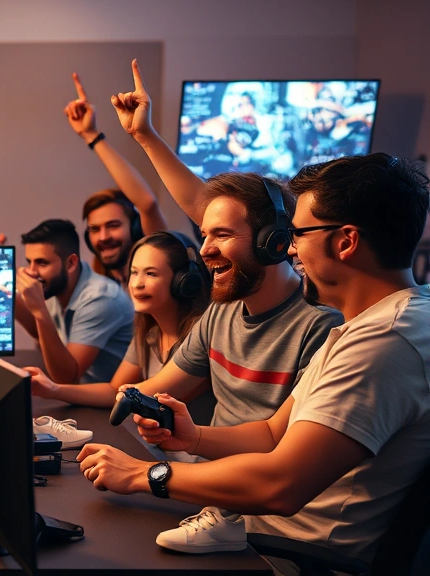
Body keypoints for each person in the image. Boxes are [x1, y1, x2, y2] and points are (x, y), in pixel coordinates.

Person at [77, 153, 430, 570]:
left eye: (298, 234)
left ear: (345, 242)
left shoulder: (382, 344)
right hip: (246, 529)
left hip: (282, 556)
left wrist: (141, 475)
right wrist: (194, 438)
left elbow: (280, 485)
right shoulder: (368, 326)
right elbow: (271, 432)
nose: (289, 248)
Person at [73, 57, 343, 554]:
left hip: (256, 511)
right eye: (203, 235)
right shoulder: (222, 311)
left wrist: (148, 468)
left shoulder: (321, 328)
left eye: (220, 235)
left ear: (272, 241)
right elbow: (157, 387)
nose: (204, 250)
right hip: (207, 485)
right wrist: (69, 429)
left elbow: (278, 448)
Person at [0, 72, 168, 288]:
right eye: (94, 229)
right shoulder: (93, 285)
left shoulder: (156, 257)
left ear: (135, 227)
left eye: (113, 225)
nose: (103, 237)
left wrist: (92, 136)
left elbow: (147, 203)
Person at [29, 231, 210, 409]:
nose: (137, 284)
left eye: (151, 274)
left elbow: (151, 399)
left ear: (184, 281)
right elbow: (114, 390)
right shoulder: (149, 333)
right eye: (134, 272)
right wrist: (52, 389)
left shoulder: (200, 335)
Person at [17, 219, 134, 384]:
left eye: (42, 263)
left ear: (71, 263)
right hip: (76, 390)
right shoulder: (58, 286)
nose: (31, 271)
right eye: (30, 262)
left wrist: (39, 310)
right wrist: (5, 287)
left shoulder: (100, 298)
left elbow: (66, 377)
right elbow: (39, 331)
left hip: (105, 397)